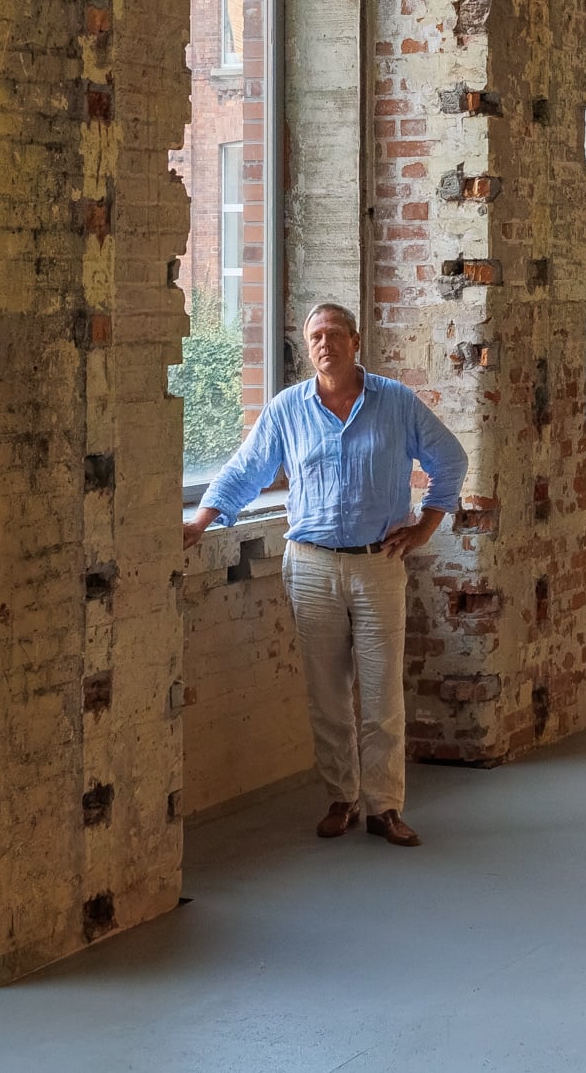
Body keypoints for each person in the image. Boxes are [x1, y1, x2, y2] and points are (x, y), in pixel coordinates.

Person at [184, 301, 466, 846]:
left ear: (355, 342)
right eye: (316, 336)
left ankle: (385, 807)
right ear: (307, 347)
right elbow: (246, 470)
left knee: (382, 695)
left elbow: (450, 459)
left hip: (377, 564)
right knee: (327, 695)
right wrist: (200, 521)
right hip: (311, 565)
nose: (325, 344)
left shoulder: (395, 402)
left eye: (335, 334)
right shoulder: (288, 408)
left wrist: (426, 527)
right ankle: (342, 798)